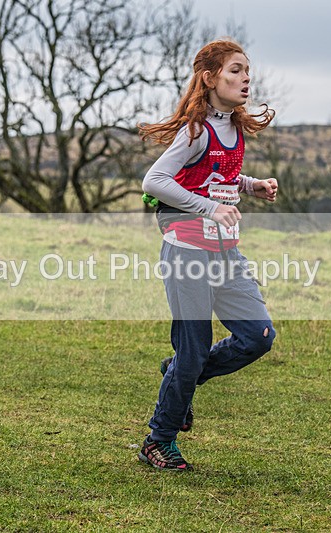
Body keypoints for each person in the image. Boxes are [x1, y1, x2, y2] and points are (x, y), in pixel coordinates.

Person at [136, 40, 278, 470]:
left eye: (248, 71)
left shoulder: (234, 129)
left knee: (259, 337)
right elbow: (154, 180)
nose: (246, 78)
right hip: (187, 253)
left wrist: (250, 185)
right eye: (235, 71)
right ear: (210, 78)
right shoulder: (196, 131)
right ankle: (158, 441)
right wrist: (210, 207)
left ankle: (178, 372)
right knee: (193, 352)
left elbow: (219, 175)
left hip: (226, 253)